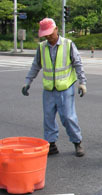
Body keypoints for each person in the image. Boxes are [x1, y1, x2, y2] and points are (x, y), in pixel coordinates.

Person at [22, 18, 87, 157]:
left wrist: (82, 83)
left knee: (68, 117)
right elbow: (35, 66)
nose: (48, 36)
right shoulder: (41, 47)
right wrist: (28, 82)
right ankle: (51, 144)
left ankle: (77, 142)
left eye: (50, 33)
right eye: (45, 34)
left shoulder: (68, 44)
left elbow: (78, 64)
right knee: (48, 118)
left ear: (56, 29)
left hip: (65, 88)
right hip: (49, 89)